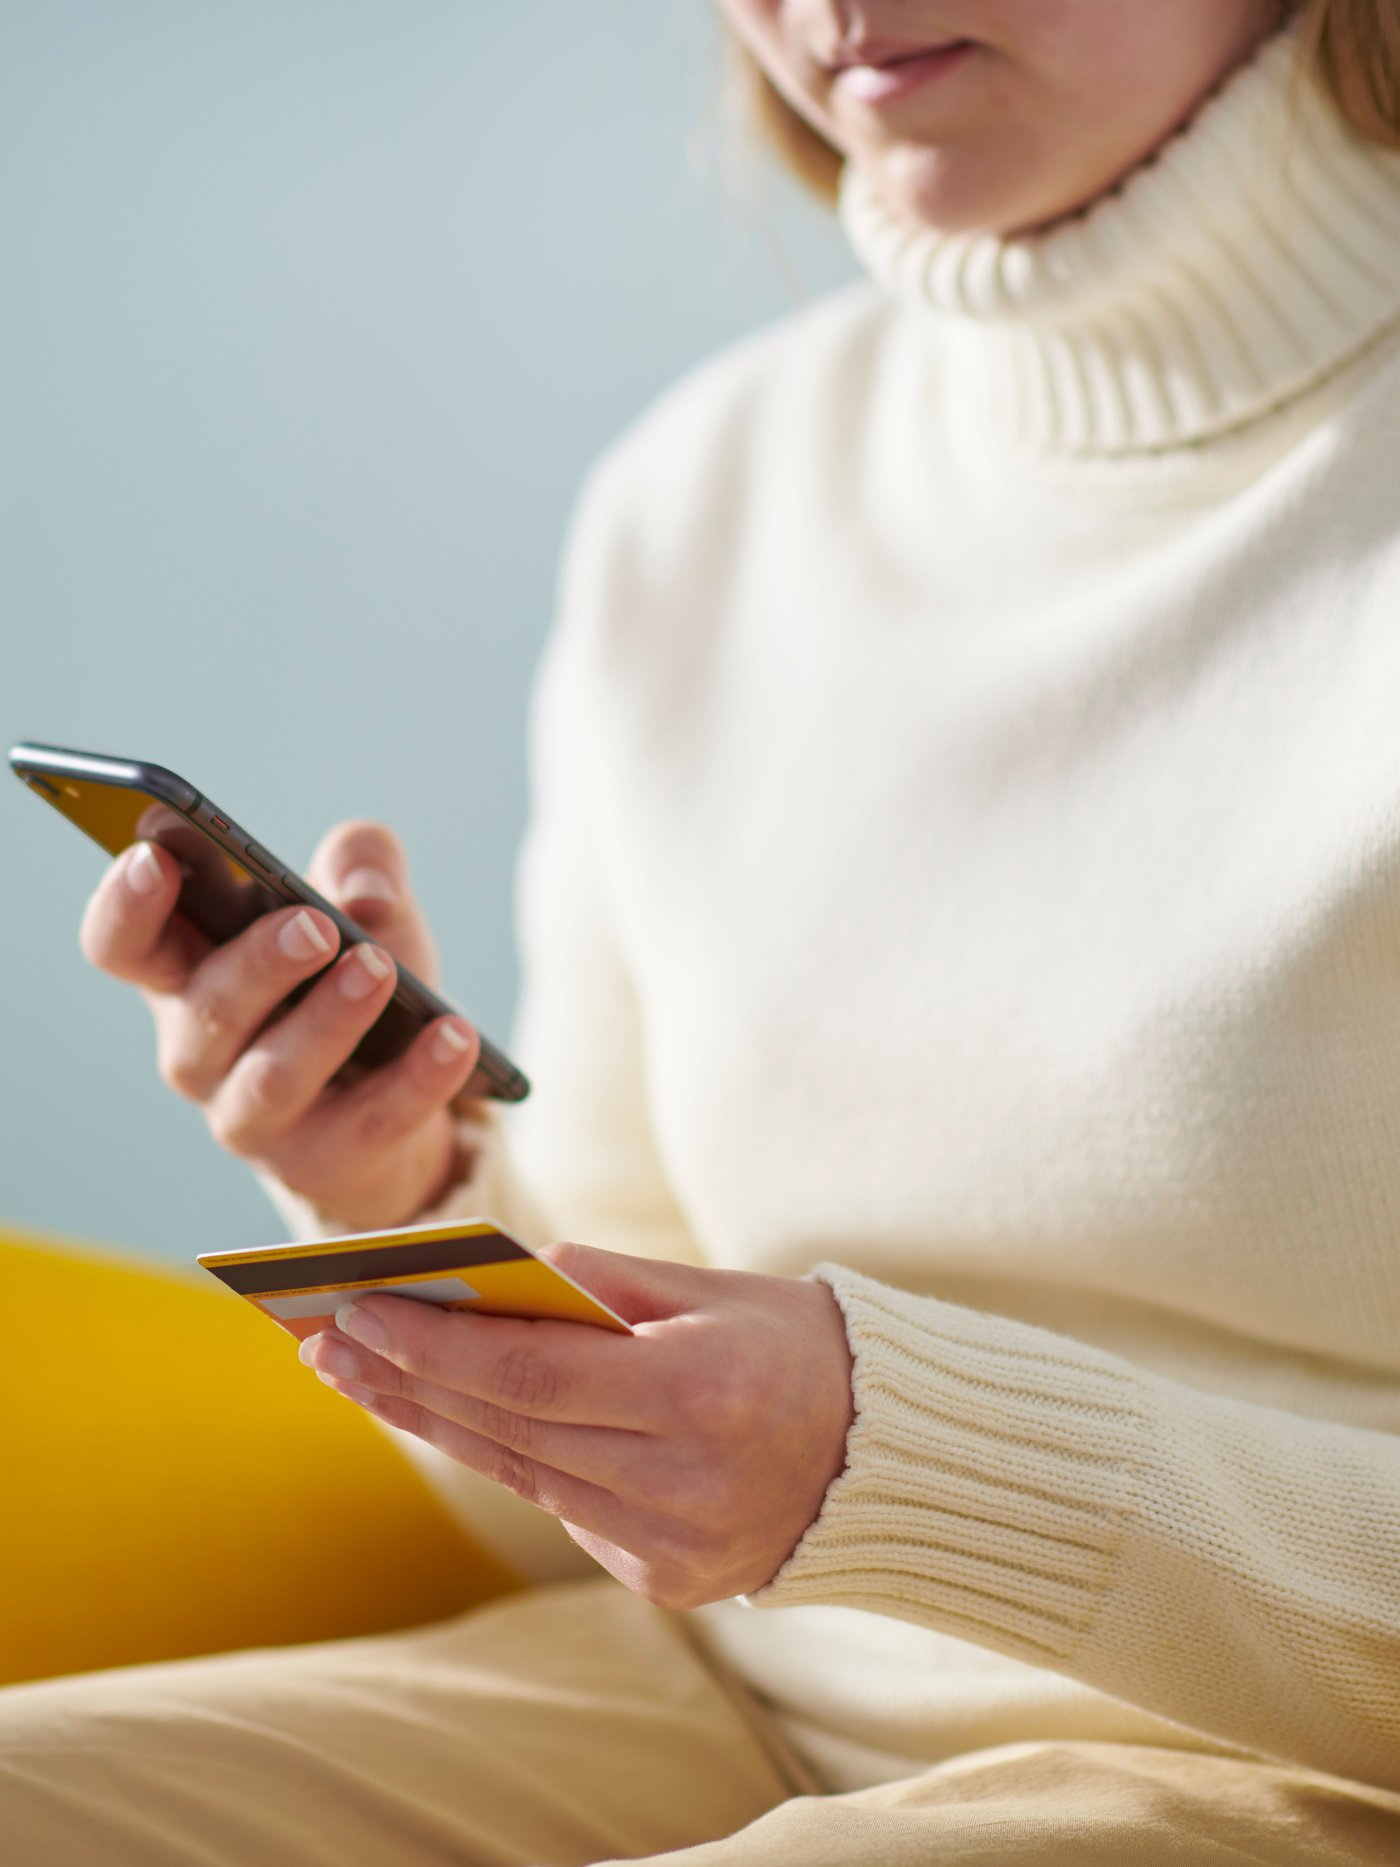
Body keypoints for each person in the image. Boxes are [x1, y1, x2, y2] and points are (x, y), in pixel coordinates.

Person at [4, 1, 1400, 1860]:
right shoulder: (705, 496)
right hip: (728, 1692)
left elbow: (837, 1471)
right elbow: (588, 1512)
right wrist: (399, 1196)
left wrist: (905, 1465)